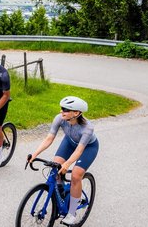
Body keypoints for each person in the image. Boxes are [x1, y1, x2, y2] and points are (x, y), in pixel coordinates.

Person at [28, 96, 99, 225]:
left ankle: (72, 213)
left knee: (76, 175)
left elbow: (79, 151)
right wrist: (35, 154)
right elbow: (49, 138)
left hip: (88, 147)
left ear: (76, 113)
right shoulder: (59, 118)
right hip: (69, 141)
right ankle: (61, 195)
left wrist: (67, 163)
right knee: (56, 168)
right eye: (61, 108)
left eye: (66, 110)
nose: (62, 112)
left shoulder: (87, 128)